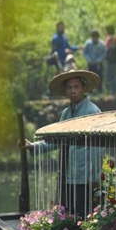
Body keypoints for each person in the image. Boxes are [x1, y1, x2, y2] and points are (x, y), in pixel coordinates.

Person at [20, 70, 103, 217]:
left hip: (86, 178)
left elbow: (98, 148)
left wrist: (94, 178)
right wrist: (33, 146)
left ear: (83, 88)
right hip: (67, 174)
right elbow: (57, 140)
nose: (73, 91)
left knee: (87, 216)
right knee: (68, 216)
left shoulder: (93, 112)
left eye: (76, 87)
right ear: (65, 91)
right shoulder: (66, 113)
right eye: (69, 88)